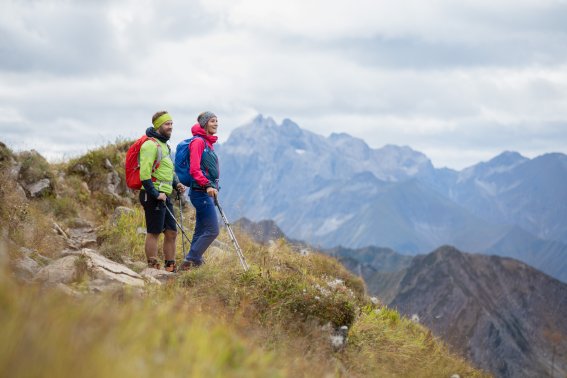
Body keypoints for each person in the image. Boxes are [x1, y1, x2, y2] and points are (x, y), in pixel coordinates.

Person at [139, 111, 185, 272]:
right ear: (158, 126)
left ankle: (170, 266)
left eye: (171, 124)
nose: (170, 127)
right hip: (152, 195)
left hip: (165, 195)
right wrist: (155, 193)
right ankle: (152, 267)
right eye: (167, 124)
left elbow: (167, 171)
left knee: (171, 232)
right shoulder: (149, 145)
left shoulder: (164, 145)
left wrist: (176, 184)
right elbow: (144, 173)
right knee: (154, 231)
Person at [179, 111, 220, 271]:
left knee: (201, 230)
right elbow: (195, 170)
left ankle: (191, 264)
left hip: (205, 192)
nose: (216, 124)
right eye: (212, 121)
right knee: (212, 230)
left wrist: (213, 186)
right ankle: (191, 259)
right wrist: (207, 185)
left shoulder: (208, 142)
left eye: (216, 121)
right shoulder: (198, 142)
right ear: (204, 124)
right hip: (200, 192)